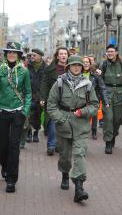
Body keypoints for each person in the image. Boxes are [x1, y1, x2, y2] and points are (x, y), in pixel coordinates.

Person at [47, 55, 99, 203]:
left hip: (81, 124)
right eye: (73, 65)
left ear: (82, 67)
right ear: (68, 66)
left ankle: (79, 187)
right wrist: (61, 119)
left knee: (80, 154)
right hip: (64, 122)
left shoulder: (88, 84)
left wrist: (84, 111)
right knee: (65, 154)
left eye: (79, 65)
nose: (76, 67)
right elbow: (51, 105)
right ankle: (64, 173)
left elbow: (94, 105)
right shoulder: (59, 83)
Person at [0, 42, 32, 193]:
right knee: (3, 145)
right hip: (2, 111)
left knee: (14, 146)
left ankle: (11, 179)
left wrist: (25, 111)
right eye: (9, 52)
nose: (12, 55)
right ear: (6, 54)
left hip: (17, 112)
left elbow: (28, 92)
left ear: (19, 55)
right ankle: (4, 165)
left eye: (15, 52)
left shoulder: (24, 72)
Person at [99, 44, 122, 154]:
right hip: (106, 94)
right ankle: (108, 142)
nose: (110, 53)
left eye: (112, 51)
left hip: (119, 94)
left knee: (117, 119)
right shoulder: (103, 64)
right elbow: (99, 81)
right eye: (108, 51)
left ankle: (113, 135)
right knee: (108, 118)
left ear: (116, 52)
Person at [40, 47, 70, 156]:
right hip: (54, 100)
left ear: (67, 56)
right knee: (53, 123)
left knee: (64, 124)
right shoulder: (50, 69)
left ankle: (59, 145)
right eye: (61, 54)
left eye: (65, 54)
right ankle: (51, 145)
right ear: (57, 56)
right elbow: (44, 84)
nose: (63, 56)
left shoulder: (72, 68)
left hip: (68, 102)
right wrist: (42, 98)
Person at [82, 56, 109, 140]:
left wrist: (106, 101)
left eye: (87, 62)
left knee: (94, 115)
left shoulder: (95, 74)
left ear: (90, 64)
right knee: (83, 115)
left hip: (93, 99)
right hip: (81, 99)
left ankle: (94, 131)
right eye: (84, 62)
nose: (85, 63)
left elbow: (102, 87)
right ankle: (82, 131)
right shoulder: (77, 73)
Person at [23, 48, 46, 145]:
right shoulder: (27, 67)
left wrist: (43, 96)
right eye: (31, 55)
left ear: (40, 57)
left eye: (34, 55)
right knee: (28, 114)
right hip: (29, 94)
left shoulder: (46, 68)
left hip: (40, 95)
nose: (32, 57)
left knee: (38, 114)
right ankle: (28, 133)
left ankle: (36, 132)